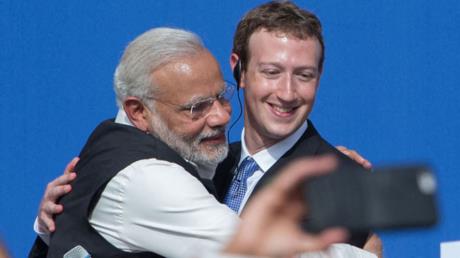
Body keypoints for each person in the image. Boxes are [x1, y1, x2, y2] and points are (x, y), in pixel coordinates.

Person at [29, 27, 359, 258]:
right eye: (196, 107)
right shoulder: (147, 178)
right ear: (139, 112)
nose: (219, 116)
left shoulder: (185, 156)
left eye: (220, 96)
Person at [212, 1, 381, 255]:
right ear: (240, 70)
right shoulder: (208, 166)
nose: (287, 93)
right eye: (272, 72)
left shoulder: (342, 183)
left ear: (319, 76)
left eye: (303, 75)